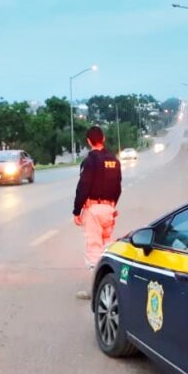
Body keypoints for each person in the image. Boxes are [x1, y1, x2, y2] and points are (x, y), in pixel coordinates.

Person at [73, 126, 122, 299]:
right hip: (109, 209)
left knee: (94, 249)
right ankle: (111, 286)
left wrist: (77, 210)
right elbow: (118, 187)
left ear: (88, 141)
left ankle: (97, 292)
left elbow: (84, 186)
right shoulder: (114, 160)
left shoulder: (90, 161)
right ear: (104, 139)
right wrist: (112, 206)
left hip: (93, 210)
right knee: (107, 247)